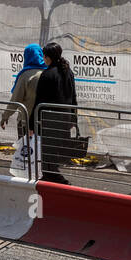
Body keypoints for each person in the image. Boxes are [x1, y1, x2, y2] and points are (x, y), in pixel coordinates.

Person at [36, 41, 89, 176]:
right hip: (65, 119)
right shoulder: (68, 72)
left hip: (50, 120)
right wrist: (73, 119)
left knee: (48, 153)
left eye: (44, 56)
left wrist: (33, 123)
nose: (43, 58)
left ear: (48, 57)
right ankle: (54, 177)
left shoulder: (47, 74)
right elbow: (73, 98)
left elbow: (39, 101)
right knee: (57, 152)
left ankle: (53, 179)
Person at [1, 43, 46, 137]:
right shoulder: (49, 73)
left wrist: (5, 116)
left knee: (26, 149)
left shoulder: (25, 75)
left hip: (26, 121)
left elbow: (16, 99)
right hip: (45, 121)